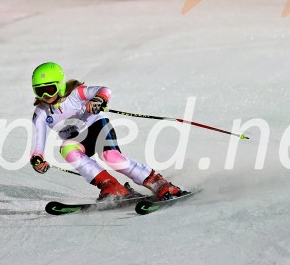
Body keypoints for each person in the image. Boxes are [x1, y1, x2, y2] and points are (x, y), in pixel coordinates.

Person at [28, 62, 184, 201]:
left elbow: (104, 90)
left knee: (112, 157)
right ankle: (111, 186)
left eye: (49, 89)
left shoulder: (76, 95)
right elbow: (38, 140)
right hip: (77, 140)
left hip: (97, 126)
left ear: (60, 85)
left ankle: (159, 183)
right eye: (39, 91)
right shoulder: (41, 112)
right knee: (66, 148)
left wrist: (99, 99)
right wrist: (37, 158)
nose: (45, 96)